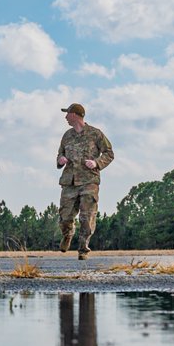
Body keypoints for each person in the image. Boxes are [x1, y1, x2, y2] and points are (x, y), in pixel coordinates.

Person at [56, 102, 114, 261]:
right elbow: (59, 154)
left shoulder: (96, 134)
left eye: (67, 113)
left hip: (89, 181)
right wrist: (60, 160)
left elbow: (109, 153)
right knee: (65, 217)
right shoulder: (67, 135)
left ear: (74, 114)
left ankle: (83, 250)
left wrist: (97, 163)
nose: (65, 117)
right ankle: (67, 235)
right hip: (69, 182)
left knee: (86, 218)